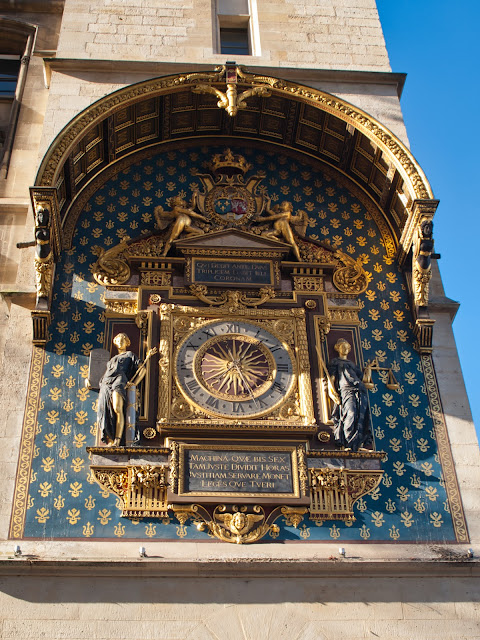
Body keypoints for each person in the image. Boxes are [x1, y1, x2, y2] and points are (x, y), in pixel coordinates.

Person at [96, 333, 156, 446]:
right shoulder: (112, 359)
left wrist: (133, 384)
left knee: (117, 409)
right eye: (118, 340)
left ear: (127, 343)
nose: (120, 342)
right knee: (104, 410)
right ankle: (110, 437)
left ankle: (118, 440)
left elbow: (142, 370)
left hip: (119, 380)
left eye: (123, 340)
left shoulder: (129, 355)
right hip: (105, 383)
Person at [326, 338, 372, 452]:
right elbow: (331, 380)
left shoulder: (352, 364)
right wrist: (332, 393)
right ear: (338, 348)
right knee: (350, 414)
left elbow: (364, 379)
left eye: (347, 347)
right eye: (343, 346)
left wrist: (369, 370)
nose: (345, 349)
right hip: (346, 391)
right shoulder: (335, 362)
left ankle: (358, 445)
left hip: (359, 390)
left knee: (360, 416)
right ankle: (349, 442)